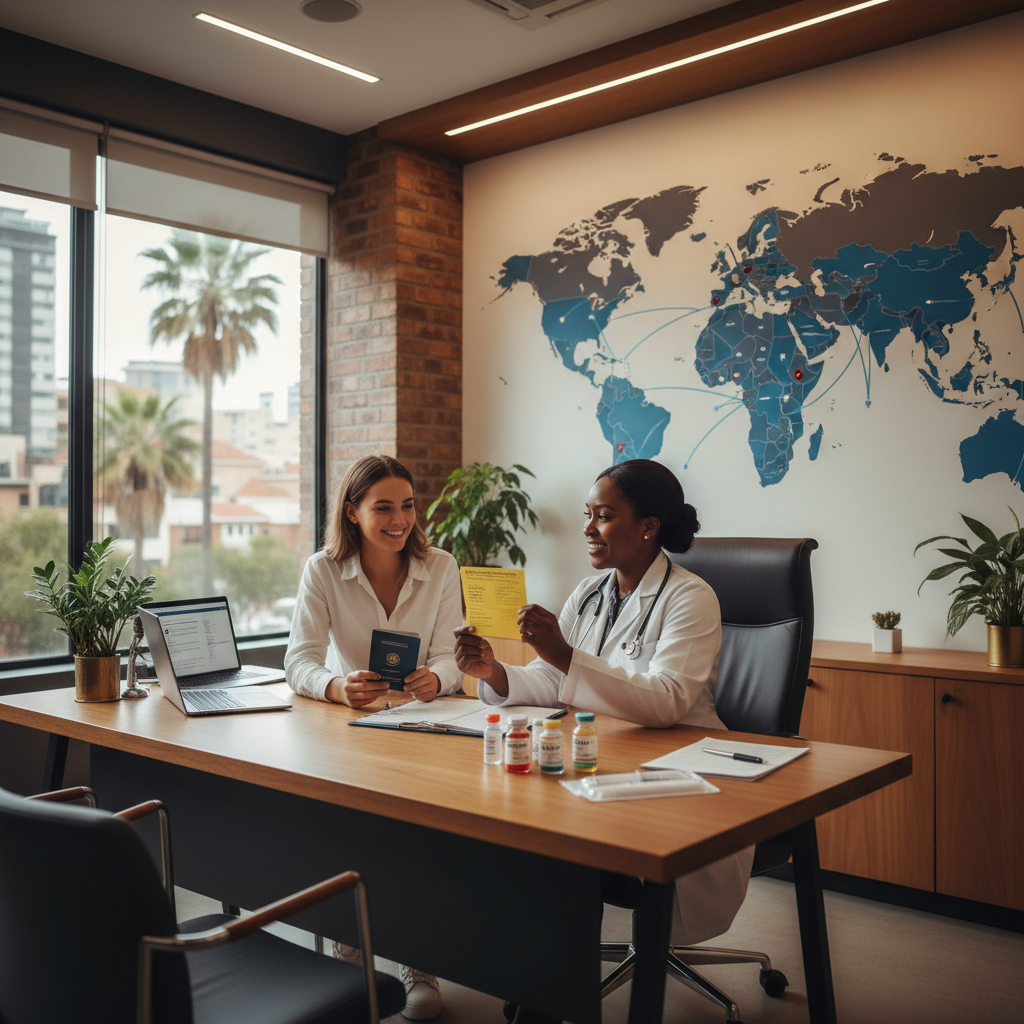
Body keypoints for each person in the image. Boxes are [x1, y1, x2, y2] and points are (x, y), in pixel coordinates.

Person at [454, 459, 754, 1023]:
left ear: (647, 526)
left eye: (604, 516)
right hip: (604, 758)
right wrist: (496, 673)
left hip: (680, 773)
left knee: (560, 847)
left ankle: (551, 997)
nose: (589, 528)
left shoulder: (692, 598)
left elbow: (666, 700)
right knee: (526, 829)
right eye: (588, 515)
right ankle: (546, 981)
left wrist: (564, 655)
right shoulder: (589, 593)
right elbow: (554, 684)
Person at [286, 454, 463, 1020]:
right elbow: (299, 661)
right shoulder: (323, 570)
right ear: (352, 512)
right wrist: (337, 687)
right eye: (383, 506)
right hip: (354, 731)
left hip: (426, 727)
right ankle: (349, 952)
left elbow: (451, 652)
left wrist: (439, 676)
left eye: (407, 505)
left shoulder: (440, 566)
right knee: (351, 832)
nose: (399, 519)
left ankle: (420, 961)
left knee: (419, 844)